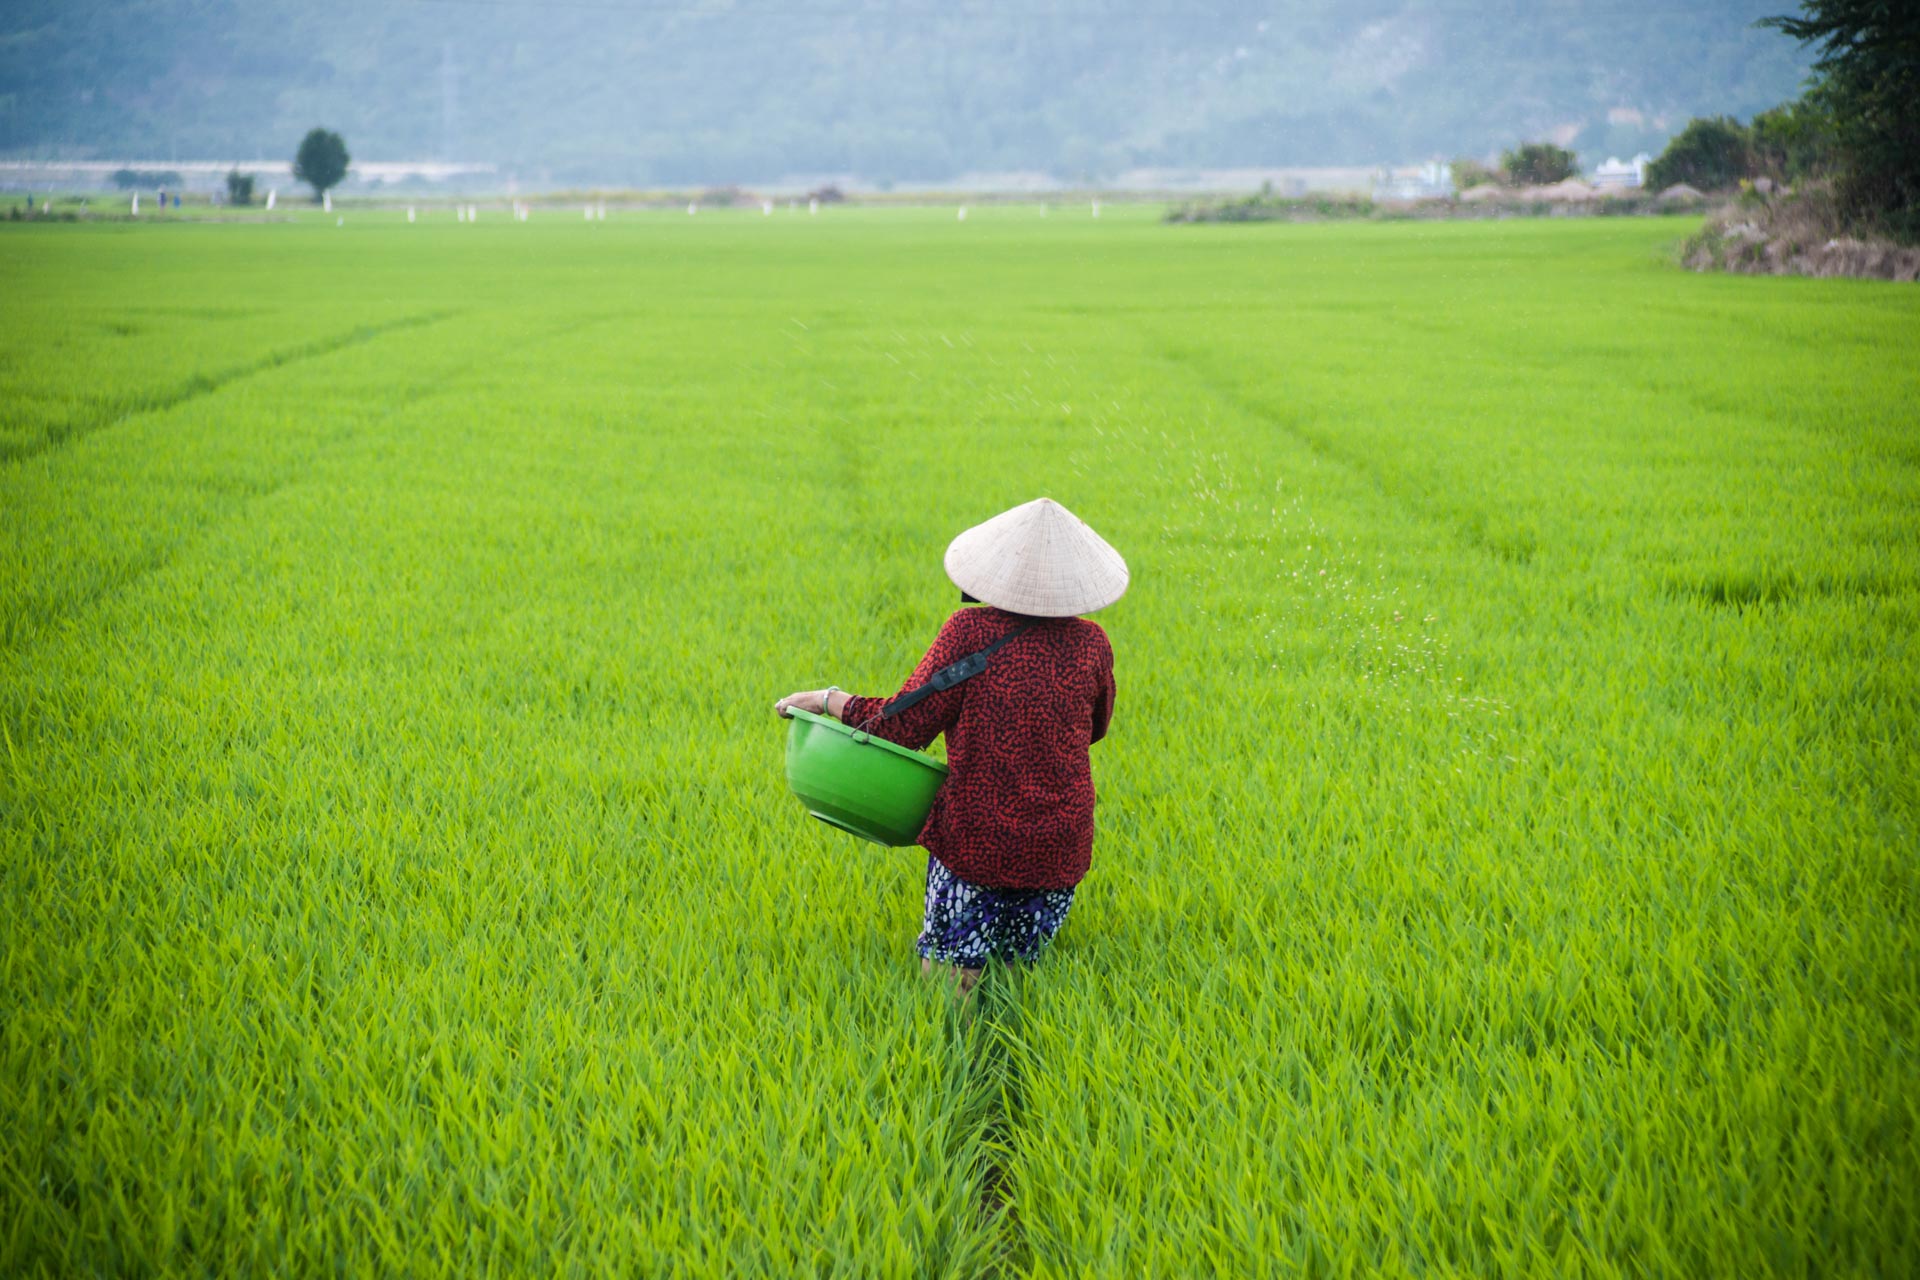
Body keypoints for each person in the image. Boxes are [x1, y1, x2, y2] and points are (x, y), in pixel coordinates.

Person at [775, 497, 1125, 998]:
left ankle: (952, 1062)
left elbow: (901, 727)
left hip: (977, 840)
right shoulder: (1093, 643)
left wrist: (829, 701)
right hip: (1060, 845)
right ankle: (1016, 1062)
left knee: (951, 977)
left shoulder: (969, 631)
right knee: (1017, 980)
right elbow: (1095, 727)